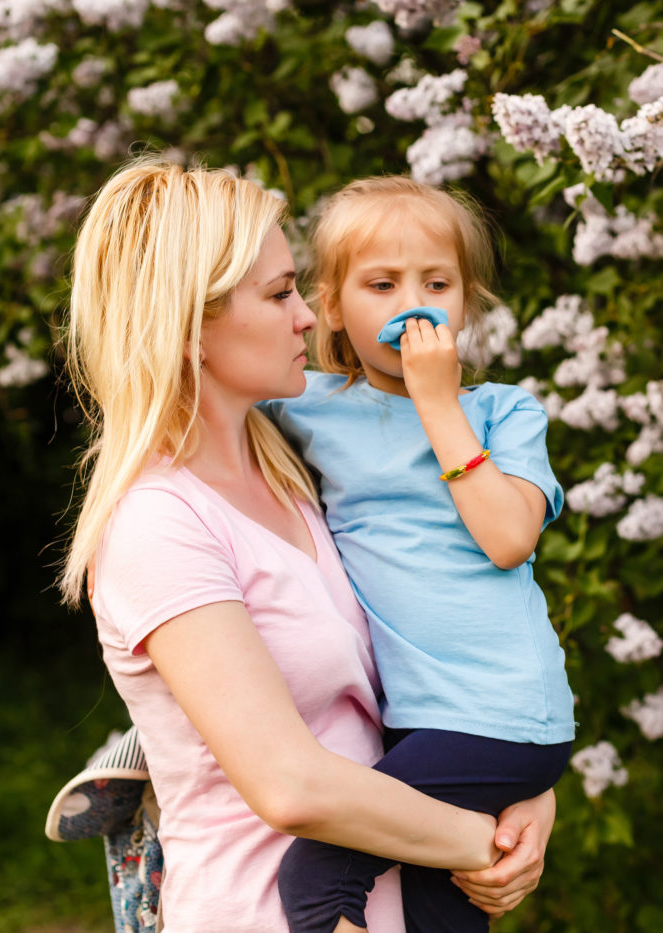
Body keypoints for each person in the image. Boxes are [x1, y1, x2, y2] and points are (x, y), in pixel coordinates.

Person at [61, 156, 559, 933]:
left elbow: (437, 635)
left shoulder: (295, 471)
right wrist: (482, 837)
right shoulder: (159, 523)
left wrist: (518, 769)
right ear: (188, 324)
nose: (306, 317)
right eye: (279, 292)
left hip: (402, 892)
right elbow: (291, 784)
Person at [262, 176, 575, 933]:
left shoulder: (503, 412)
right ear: (331, 306)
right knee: (441, 910)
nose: (415, 303)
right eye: (382, 283)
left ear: (465, 299)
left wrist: (438, 404)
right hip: (413, 718)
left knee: (317, 872)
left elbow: (509, 539)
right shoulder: (306, 408)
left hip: (499, 713)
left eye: (437, 282)